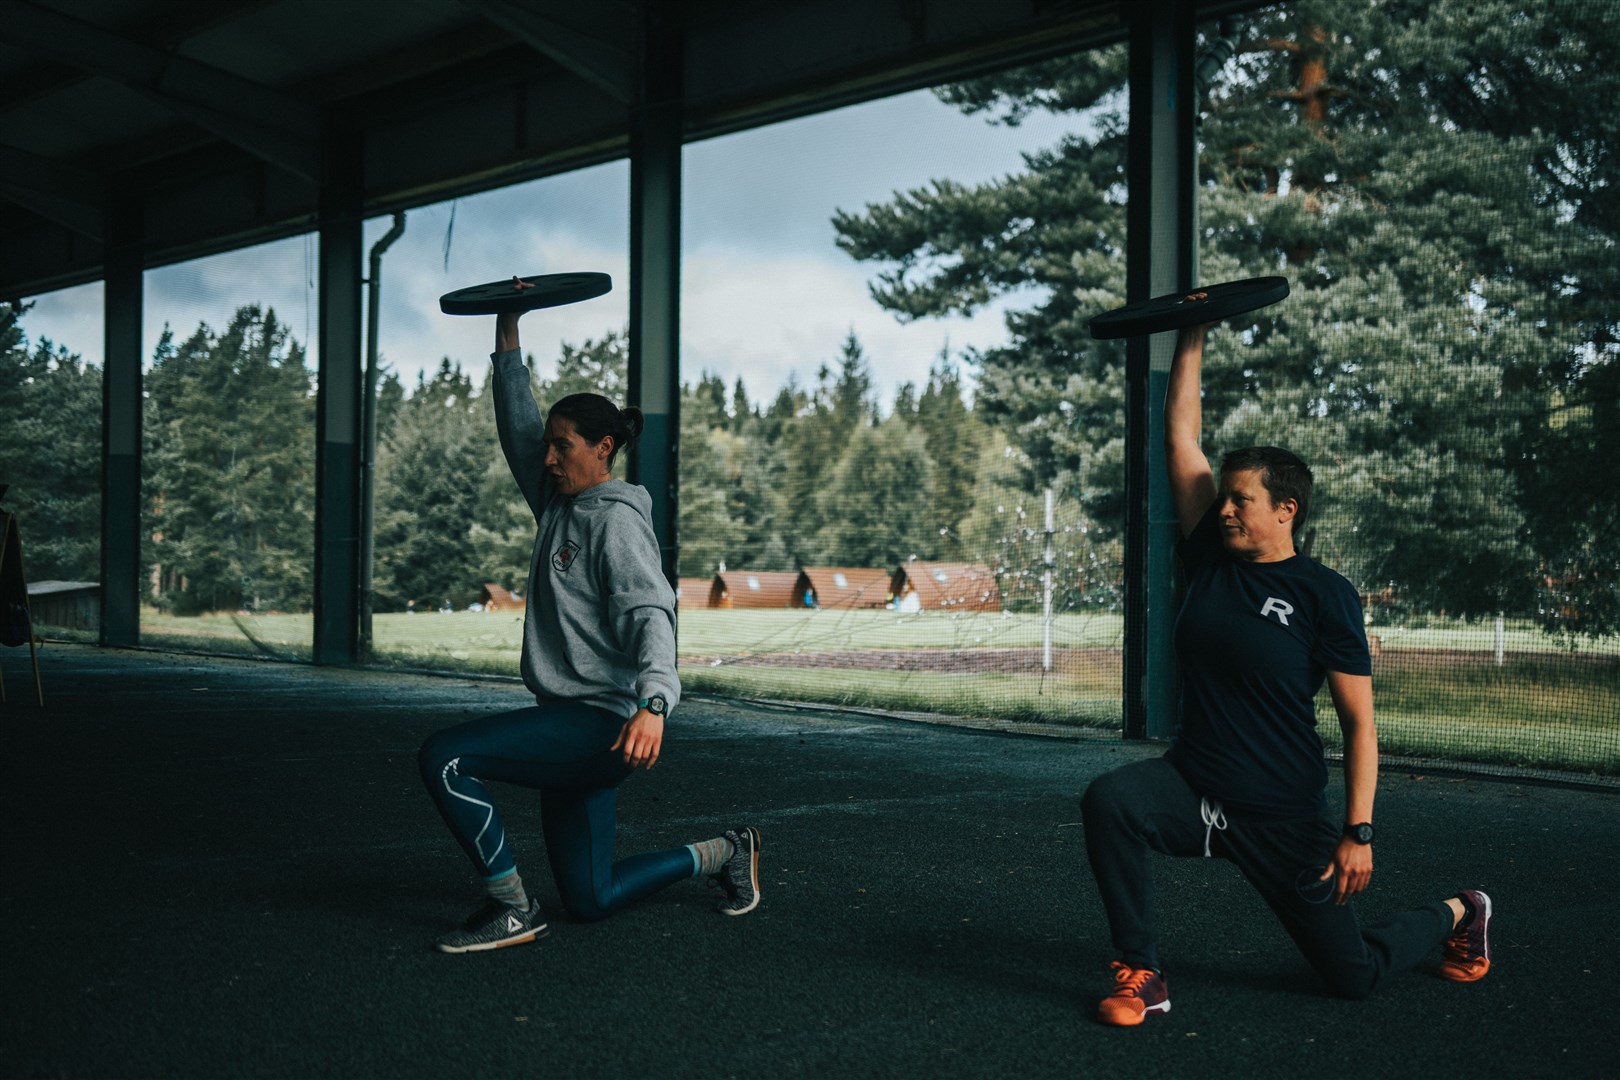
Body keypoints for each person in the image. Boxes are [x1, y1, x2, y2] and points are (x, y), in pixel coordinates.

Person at [1079, 304, 1492, 1024]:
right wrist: (1194, 329)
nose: (1227, 511)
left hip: (1282, 814)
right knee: (1112, 799)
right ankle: (1143, 972)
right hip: (1195, 785)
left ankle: (1461, 909)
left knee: (1353, 978)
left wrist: (1358, 832)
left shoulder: (1325, 595)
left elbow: (1359, 724)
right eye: (1225, 499)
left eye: (1242, 501)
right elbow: (1181, 436)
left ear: (1286, 510)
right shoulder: (1209, 560)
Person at [418, 282, 761, 953]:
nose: (548, 458)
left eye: (564, 446)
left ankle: (511, 906)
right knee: (591, 898)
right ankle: (726, 852)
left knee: (445, 758)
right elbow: (516, 424)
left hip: (601, 726)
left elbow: (652, 612)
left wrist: (655, 704)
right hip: (581, 732)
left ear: (604, 448)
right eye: (549, 445)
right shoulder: (557, 504)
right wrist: (508, 325)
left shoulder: (614, 524)